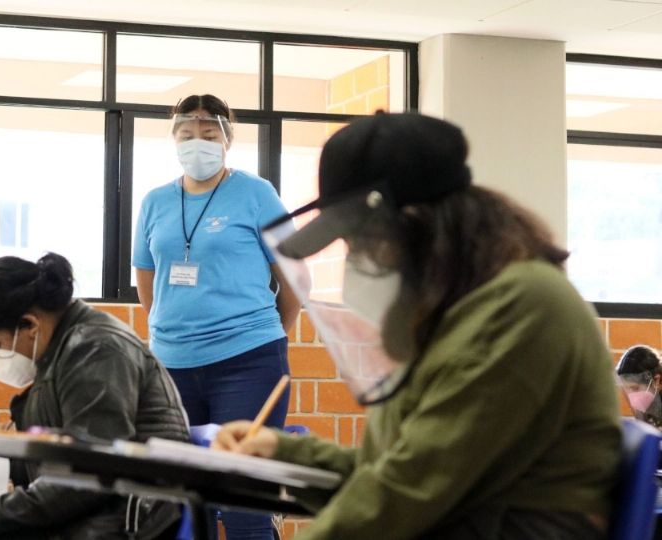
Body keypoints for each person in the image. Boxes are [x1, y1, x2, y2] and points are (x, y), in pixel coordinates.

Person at [212, 112, 622, 539]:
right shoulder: (450, 317)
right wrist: (282, 453)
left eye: (361, 241)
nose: (356, 259)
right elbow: (396, 470)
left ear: (415, 226)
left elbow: (407, 490)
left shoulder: (519, 309)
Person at [0, 253, 189, 539]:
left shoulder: (96, 349)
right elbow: (62, 449)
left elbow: (90, 472)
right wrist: (8, 446)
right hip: (93, 513)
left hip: (124, 521)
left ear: (30, 325)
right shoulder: (62, 351)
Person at [133, 94, 301, 540]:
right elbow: (146, 277)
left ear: (227, 139)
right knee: (182, 502)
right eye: (187, 135)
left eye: (209, 135)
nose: (197, 144)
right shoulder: (154, 202)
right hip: (171, 366)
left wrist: (267, 336)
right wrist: (168, 330)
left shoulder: (257, 193)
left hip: (248, 360)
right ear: (174, 139)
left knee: (242, 499)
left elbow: (294, 278)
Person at [616, 345, 662, 428]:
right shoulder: (645, 408)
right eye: (626, 389)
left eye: (635, 388)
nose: (631, 397)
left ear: (656, 380)